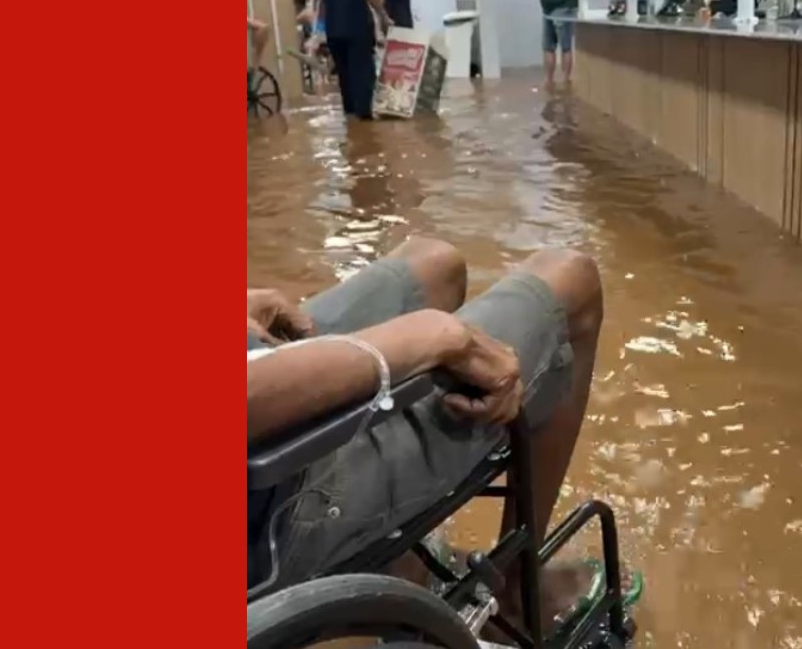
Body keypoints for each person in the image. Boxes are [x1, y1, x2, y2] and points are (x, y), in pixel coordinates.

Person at [247, 238, 604, 627]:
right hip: (274, 491)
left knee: (437, 265)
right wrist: (430, 340)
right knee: (573, 280)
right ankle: (517, 592)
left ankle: (396, 554)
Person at [310, 0, 391, 120]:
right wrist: (383, 16)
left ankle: (351, 116)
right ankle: (364, 119)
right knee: (362, 73)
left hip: (334, 28)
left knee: (344, 73)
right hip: (358, 27)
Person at [540, 0, 578, 87]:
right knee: (548, 46)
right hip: (547, 9)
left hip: (564, 6)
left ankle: (566, 81)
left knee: (565, 46)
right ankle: (549, 81)